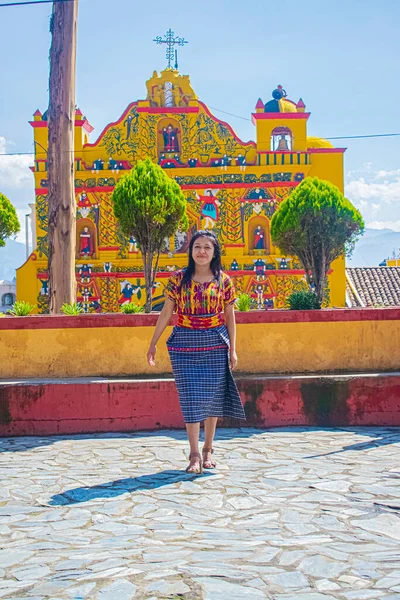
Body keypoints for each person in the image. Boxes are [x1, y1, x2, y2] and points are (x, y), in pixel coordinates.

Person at [147, 230, 246, 474]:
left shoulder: (224, 281)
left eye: (207, 248)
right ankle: (193, 453)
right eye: (197, 246)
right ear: (191, 251)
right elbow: (166, 313)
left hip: (214, 341)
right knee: (190, 398)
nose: (202, 251)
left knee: (212, 399)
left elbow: (230, 316)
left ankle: (208, 450)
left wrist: (233, 348)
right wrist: (153, 343)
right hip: (184, 343)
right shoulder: (178, 279)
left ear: (214, 253)